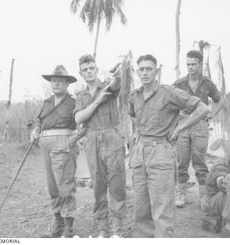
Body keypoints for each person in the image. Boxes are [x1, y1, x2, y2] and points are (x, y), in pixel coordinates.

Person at [128, 54, 209, 237]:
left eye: (149, 68)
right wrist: (139, 134)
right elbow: (132, 114)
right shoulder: (135, 96)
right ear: (137, 72)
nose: (145, 72)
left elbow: (203, 109)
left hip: (161, 152)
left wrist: (180, 127)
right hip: (139, 153)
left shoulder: (169, 93)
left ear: (156, 71)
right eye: (142, 69)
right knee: (141, 211)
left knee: (162, 213)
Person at [74, 54, 126, 238]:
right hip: (91, 140)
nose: (89, 72)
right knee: (98, 185)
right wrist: (97, 101)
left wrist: (118, 74)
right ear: (81, 73)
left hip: (112, 137)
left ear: (96, 69)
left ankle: (117, 230)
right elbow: (79, 118)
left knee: (117, 183)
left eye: (91, 68)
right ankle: (103, 229)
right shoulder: (81, 96)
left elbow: (117, 84)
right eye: (85, 69)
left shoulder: (108, 87)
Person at [31, 65, 84, 238]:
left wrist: (72, 141)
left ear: (67, 84)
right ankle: (58, 223)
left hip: (64, 145)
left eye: (60, 81)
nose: (56, 84)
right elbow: (40, 122)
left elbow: (84, 126)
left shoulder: (74, 103)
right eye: (53, 81)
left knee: (65, 186)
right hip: (45, 147)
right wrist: (35, 130)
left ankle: (69, 228)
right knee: (53, 186)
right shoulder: (46, 103)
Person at [173, 50, 223, 208]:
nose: (190, 67)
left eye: (194, 64)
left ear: (200, 65)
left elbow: (219, 101)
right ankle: (181, 193)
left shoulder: (207, 83)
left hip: (200, 126)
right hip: (183, 125)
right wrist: (177, 113)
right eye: (188, 64)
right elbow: (169, 102)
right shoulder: (179, 83)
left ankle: (204, 196)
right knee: (181, 161)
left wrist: (211, 115)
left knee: (200, 163)